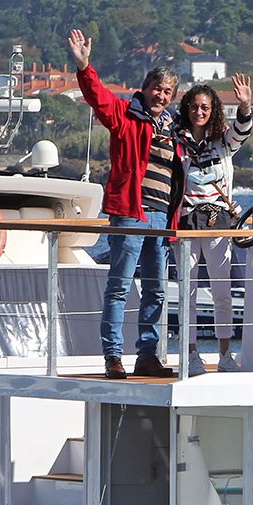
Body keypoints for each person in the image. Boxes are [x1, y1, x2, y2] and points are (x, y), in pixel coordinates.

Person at [68, 27, 184, 379]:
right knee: (119, 286)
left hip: (162, 218)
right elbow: (98, 97)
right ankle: (113, 357)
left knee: (156, 290)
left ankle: (147, 355)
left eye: (167, 92)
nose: (160, 96)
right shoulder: (124, 115)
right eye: (156, 89)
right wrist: (85, 66)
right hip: (131, 214)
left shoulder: (173, 128)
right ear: (145, 89)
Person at [177, 75, 253, 375]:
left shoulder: (222, 143)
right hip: (186, 219)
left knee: (222, 291)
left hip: (217, 218)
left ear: (213, 110)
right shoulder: (177, 142)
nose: (199, 112)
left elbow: (241, 131)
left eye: (205, 107)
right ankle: (191, 353)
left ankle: (225, 354)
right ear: (187, 109)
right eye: (195, 106)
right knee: (189, 291)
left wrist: (245, 104)